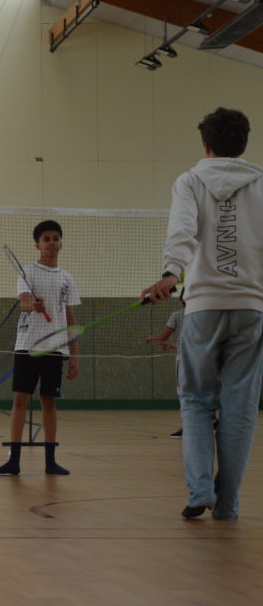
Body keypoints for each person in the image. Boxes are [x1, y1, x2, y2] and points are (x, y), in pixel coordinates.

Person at [142, 107, 263, 521]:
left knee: (195, 402)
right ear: (243, 143)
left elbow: (182, 228)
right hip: (251, 310)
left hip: (203, 310)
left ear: (206, 145)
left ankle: (200, 492)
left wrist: (169, 274)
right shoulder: (261, 183)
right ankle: (226, 504)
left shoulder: (191, 180)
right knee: (240, 408)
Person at [0, 219, 80, 476]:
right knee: (20, 400)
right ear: (37, 245)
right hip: (27, 346)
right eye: (46, 239)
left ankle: (51, 461)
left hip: (55, 347)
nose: (51, 243)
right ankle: (14, 460)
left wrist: (75, 355)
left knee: (49, 402)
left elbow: (71, 319)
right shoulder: (27, 273)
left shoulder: (67, 278)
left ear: (61, 244)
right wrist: (34, 305)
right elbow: (23, 303)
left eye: (55, 238)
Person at [145, 291, 186, 438]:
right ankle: (212, 422)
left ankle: (188, 426)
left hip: (185, 360)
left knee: (184, 392)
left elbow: (163, 336)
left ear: (181, 298)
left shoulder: (178, 315)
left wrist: (153, 338)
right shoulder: (204, 316)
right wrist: (173, 346)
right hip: (203, 358)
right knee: (204, 390)